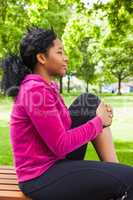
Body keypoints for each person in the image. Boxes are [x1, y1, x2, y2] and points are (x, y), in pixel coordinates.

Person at [1, 27, 133, 200]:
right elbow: (61, 144)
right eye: (60, 52)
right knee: (130, 178)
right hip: (40, 176)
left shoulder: (47, 87)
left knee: (89, 101)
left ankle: (115, 175)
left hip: (54, 161)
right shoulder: (35, 91)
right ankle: (119, 182)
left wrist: (96, 115)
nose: (66, 58)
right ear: (42, 58)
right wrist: (99, 122)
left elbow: (63, 128)